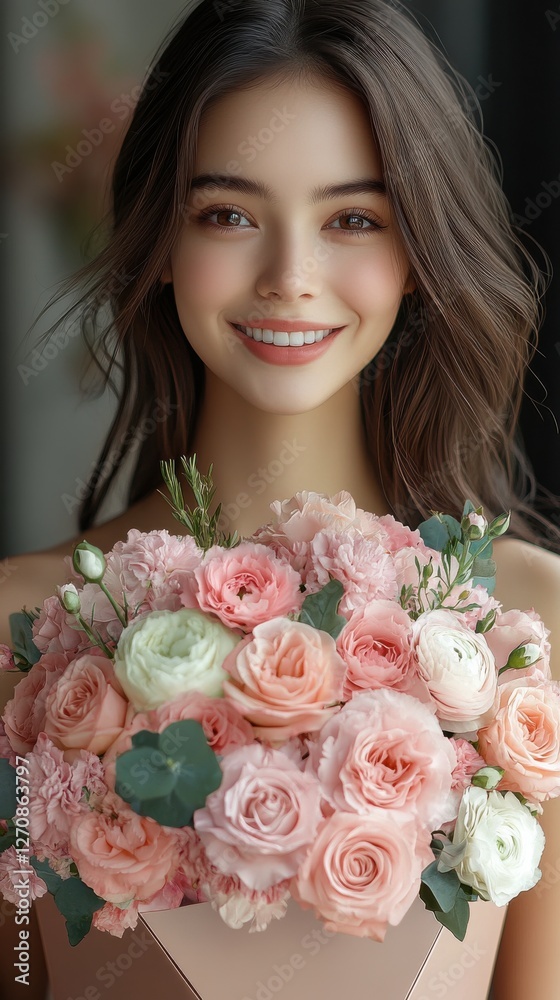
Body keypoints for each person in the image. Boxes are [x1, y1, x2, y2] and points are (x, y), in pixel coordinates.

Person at [1, 1, 560, 997]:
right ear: (161, 239)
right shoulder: (15, 625)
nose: (290, 278)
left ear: (418, 253)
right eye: (228, 213)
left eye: (352, 218)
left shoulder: (535, 626)